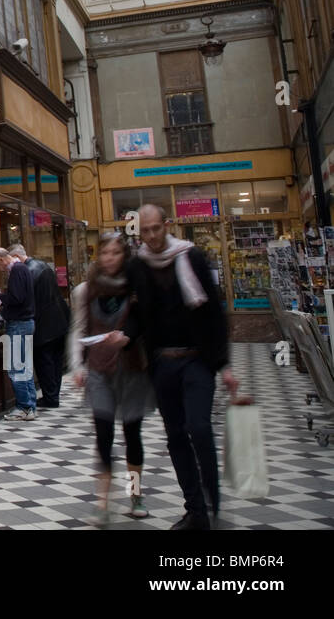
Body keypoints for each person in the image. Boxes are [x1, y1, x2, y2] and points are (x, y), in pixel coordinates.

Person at [129, 204, 238, 530]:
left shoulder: (191, 257)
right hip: (163, 363)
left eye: (155, 229)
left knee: (199, 428)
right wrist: (121, 337)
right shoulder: (139, 266)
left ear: (167, 225)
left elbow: (214, 312)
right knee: (175, 435)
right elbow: (138, 315)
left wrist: (225, 364)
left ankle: (210, 496)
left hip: (197, 361)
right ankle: (195, 509)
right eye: (144, 231)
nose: (150, 236)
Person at [69, 232, 156, 523]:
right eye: (104, 253)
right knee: (103, 436)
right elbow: (79, 328)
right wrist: (77, 366)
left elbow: (146, 325)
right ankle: (103, 502)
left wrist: (129, 337)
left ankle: (135, 494)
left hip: (131, 370)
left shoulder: (136, 289)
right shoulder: (87, 290)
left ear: (124, 256)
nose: (109, 258)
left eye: (115, 253)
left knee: (133, 436)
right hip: (98, 371)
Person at [11, 244, 68, 408]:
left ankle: (50, 398)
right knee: (55, 362)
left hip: (44, 325)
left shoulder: (28, 271)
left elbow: (24, 300)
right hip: (58, 321)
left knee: (45, 362)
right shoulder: (42, 265)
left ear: (16, 256)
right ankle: (53, 395)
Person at [0, 247, 36, 420]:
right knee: (25, 366)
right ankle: (30, 405)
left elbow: (16, 298)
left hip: (19, 324)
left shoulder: (16, 270)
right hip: (26, 323)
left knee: (17, 367)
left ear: (1, 260)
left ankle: (23, 407)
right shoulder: (22, 268)